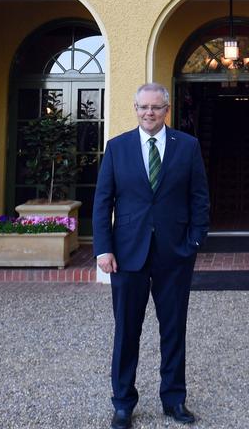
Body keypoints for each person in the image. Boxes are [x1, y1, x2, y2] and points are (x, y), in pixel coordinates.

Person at [94, 82, 210, 429]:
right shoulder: (117, 148)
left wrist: (194, 242)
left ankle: (174, 399)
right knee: (127, 330)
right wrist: (103, 248)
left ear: (167, 109)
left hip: (174, 254)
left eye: (156, 107)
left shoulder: (187, 146)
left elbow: (199, 198)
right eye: (143, 107)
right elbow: (103, 202)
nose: (149, 113)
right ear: (135, 108)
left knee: (173, 329)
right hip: (127, 254)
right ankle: (123, 403)